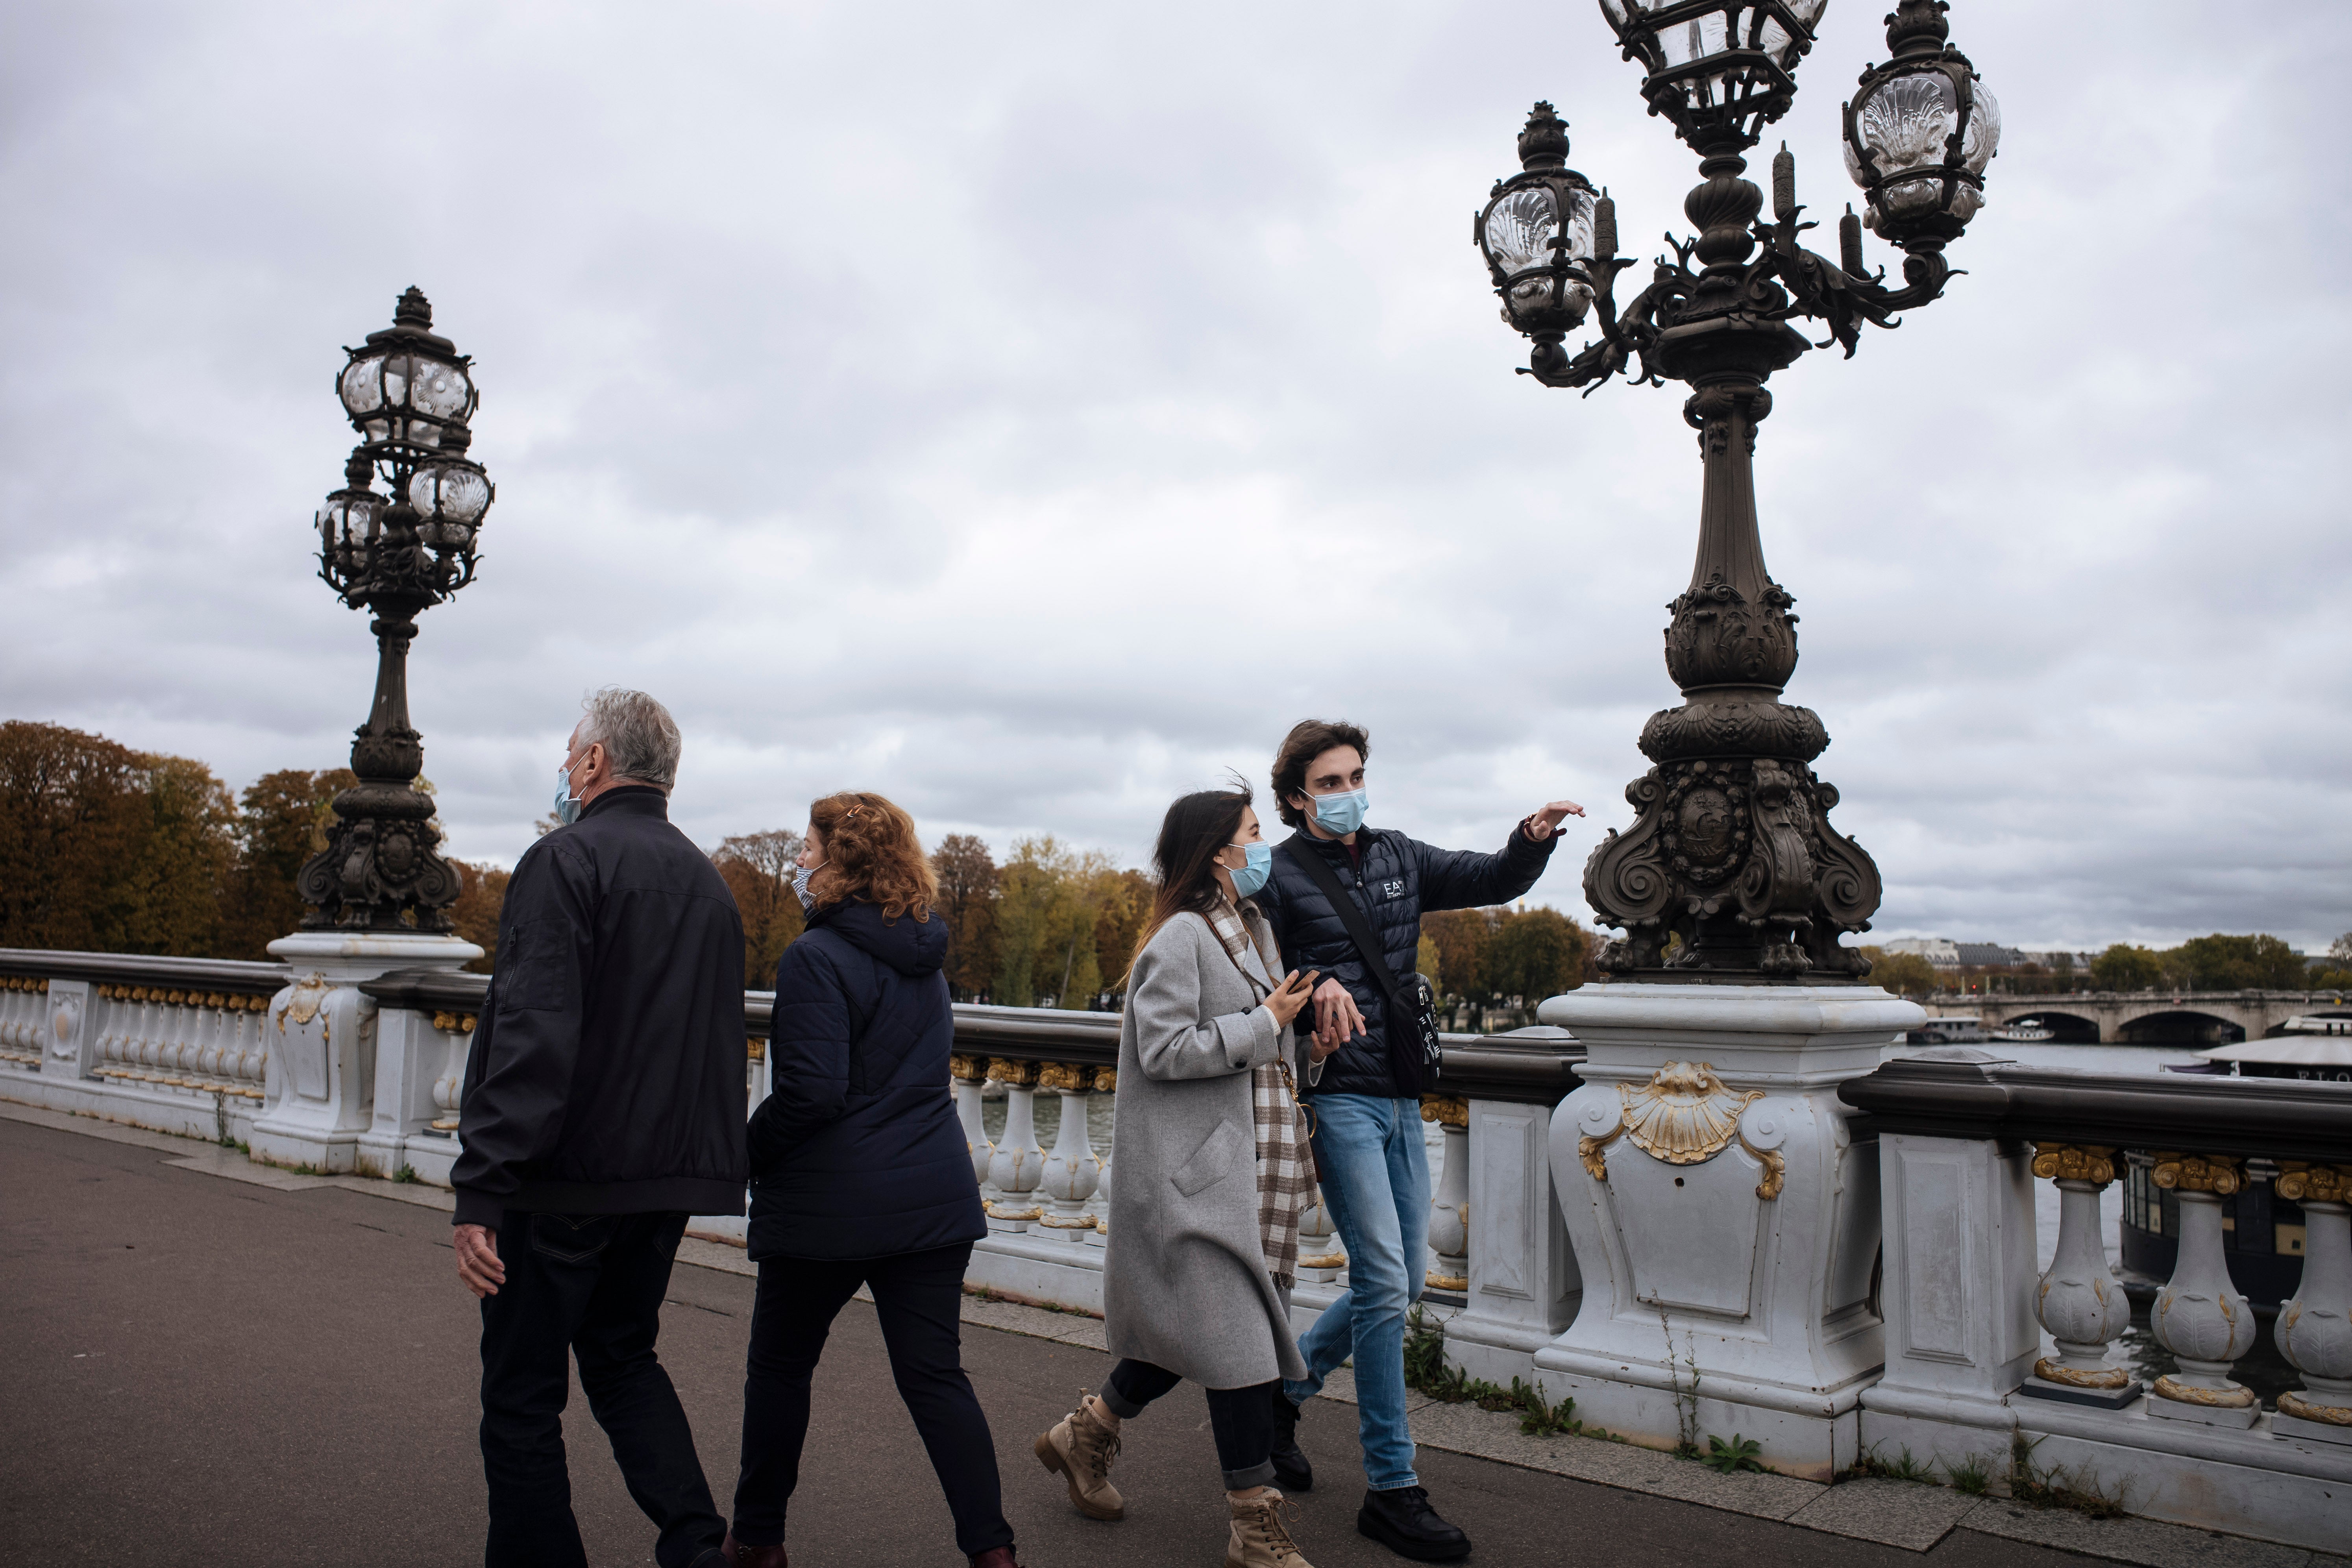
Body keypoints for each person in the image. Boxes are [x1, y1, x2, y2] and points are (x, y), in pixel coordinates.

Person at [1255, 719, 1584, 1564]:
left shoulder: (1400, 855)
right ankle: (1392, 1489)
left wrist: (1530, 841)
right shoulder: (1279, 876)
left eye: (1355, 776)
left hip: (1403, 1089)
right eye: (1329, 783)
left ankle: (1285, 1394)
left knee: (1396, 1285)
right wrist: (1317, 980)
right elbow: (1261, 974)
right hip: (1337, 1096)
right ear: (1295, 797)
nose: (1347, 792)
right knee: (1383, 1276)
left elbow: (1493, 879)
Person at [451, 688, 747, 1568]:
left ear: (592, 764)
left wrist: (484, 1184)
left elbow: (533, 1033)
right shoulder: (708, 883)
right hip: (659, 1182)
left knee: (521, 1400)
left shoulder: (565, 860)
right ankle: (698, 1549)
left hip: (561, 1180)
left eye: (569, 753)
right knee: (624, 1362)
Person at [1034, 785, 1333, 1568]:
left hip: (1245, 1168)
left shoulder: (1254, 929)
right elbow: (1166, 1053)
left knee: (1191, 1335)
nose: (1265, 846)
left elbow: (1261, 1040)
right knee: (1239, 1350)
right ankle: (1252, 1525)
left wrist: (1304, 1040)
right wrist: (1267, 1022)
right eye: (1255, 833)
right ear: (1217, 851)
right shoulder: (1179, 940)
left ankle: (1086, 1434)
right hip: (1191, 1182)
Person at [728, 792, 1019, 1568]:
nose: (797, 860)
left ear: (839, 860)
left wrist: (740, 1150)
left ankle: (757, 1540)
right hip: (930, 1196)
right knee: (935, 1379)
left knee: (782, 1368)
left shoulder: (815, 957)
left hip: (831, 1204)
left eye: (807, 847)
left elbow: (812, 1092)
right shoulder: (923, 954)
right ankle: (993, 1553)